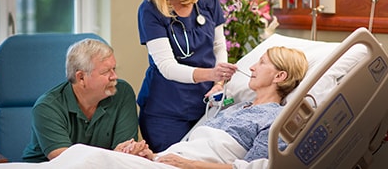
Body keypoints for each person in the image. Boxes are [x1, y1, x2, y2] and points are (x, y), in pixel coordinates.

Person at [121, 46, 309, 168]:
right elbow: (195, 147)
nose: (252, 67)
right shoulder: (238, 107)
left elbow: (251, 167)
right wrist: (152, 156)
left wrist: (189, 164)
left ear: (279, 76)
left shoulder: (277, 120)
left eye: (262, 63)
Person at [137, 0, 237, 152]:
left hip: (206, 105)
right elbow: (166, 67)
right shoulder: (150, 10)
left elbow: (219, 46)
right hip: (166, 112)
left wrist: (219, 83)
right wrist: (211, 74)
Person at [22, 38, 139, 163]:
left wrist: (126, 153)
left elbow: (127, 154)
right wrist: (114, 156)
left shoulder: (122, 92)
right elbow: (66, 162)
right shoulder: (47, 107)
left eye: (114, 69)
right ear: (81, 77)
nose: (114, 77)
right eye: (105, 72)